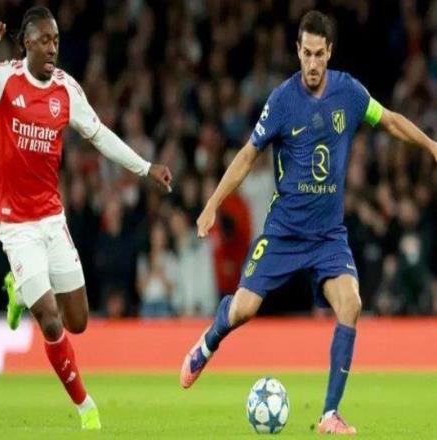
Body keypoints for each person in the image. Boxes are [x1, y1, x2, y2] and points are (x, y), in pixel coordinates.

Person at [180, 10, 437, 435]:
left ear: (329, 52)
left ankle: (330, 414)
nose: (313, 63)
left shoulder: (349, 93)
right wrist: (212, 203)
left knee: (351, 304)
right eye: (307, 54)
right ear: (297, 51)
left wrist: (430, 145)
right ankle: (208, 343)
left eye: (320, 54)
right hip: (284, 232)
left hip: (328, 237)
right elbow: (248, 154)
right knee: (243, 309)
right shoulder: (283, 100)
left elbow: (390, 120)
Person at [0, 6, 172, 431]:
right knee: (50, 319)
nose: (53, 49)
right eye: (45, 41)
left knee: (77, 321)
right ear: (26, 43)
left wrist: (146, 168)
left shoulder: (66, 90)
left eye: (56, 41)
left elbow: (100, 135)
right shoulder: (4, 79)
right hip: (15, 224)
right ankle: (86, 407)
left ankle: (18, 289)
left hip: (52, 218)